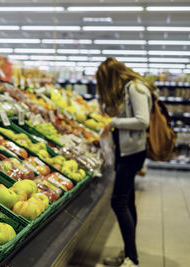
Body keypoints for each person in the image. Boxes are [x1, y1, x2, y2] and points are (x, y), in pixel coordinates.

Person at [96, 57, 156, 267]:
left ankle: (132, 259)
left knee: (118, 202)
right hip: (125, 152)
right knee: (128, 202)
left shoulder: (136, 88)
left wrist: (113, 122)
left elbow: (142, 121)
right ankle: (129, 253)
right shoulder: (127, 90)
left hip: (133, 154)